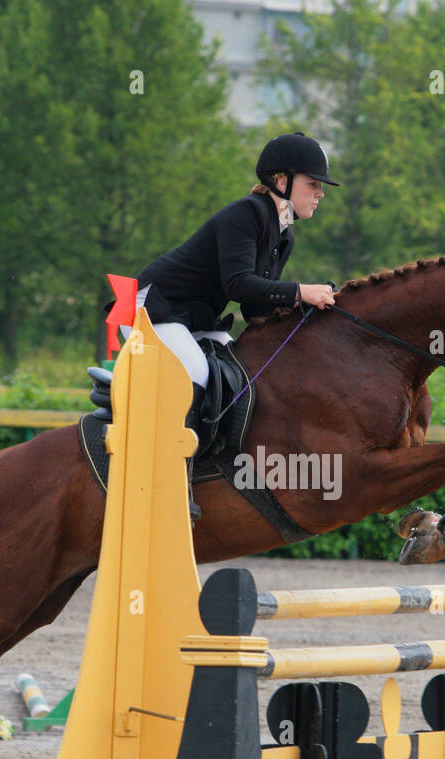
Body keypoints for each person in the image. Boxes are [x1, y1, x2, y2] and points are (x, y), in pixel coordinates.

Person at [120, 130, 339, 520]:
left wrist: (303, 312)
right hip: (148, 305)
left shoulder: (283, 234)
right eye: (313, 183)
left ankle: (213, 466)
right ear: (282, 181)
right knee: (199, 373)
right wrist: (300, 291)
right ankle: (171, 480)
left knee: (241, 372)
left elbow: (255, 307)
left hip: (192, 318)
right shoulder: (247, 213)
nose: (320, 193)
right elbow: (237, 284)